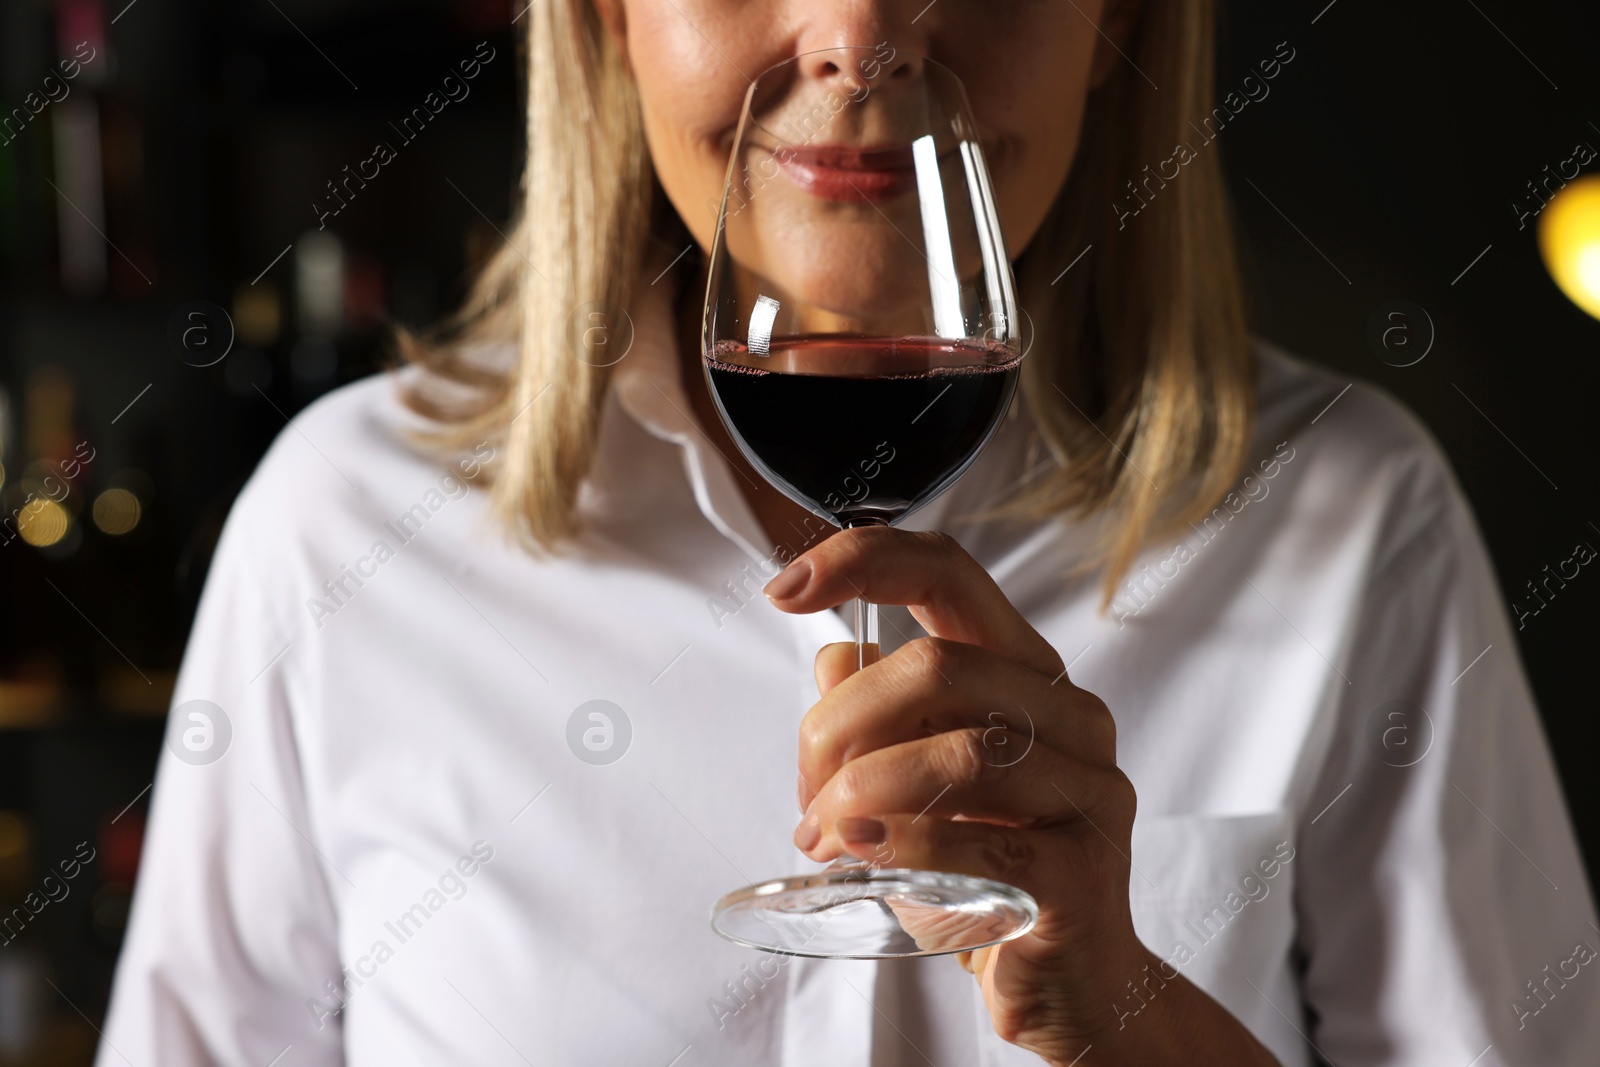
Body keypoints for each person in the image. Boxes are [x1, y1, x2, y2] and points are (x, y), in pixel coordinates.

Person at [99, 2, 1598, 1065]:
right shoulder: (344, 529)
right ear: (605, 17)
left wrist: (1129, 1014)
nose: (862, 38)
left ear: (1122, 18)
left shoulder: (1348, 518)